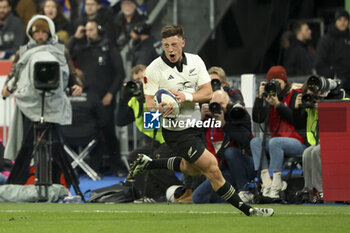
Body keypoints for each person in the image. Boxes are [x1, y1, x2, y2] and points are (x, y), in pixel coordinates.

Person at [128, 24, 274, 216]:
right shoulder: (154, 69)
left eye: (173, 44)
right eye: (165, 45)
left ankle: (148, 164)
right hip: (175, 130)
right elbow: (149, 104)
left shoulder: (196, 61)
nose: (170, 49)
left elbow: (207, 92)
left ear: (183, 43)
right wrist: (160, 108)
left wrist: (184, 97)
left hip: (196, 124)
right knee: (212, 167)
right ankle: (248, 210)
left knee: (193, 169)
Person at [1, 15, 82, 185]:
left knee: (56, 146)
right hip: (29, 104)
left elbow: (71, 75)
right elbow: (14, 74)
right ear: (31, 32)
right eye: (36, 32)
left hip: (54, 102)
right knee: (27, 146)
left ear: (49, 32)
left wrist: (77, 86)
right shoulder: (22, 52)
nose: (40, 35)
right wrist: (7, 87)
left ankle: (59, 185)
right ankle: (17, 186)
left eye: (43, 32)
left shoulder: (61, 51)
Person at [68, 19, 126, 176]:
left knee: (108, 133)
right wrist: (75, 37)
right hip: (86, 99)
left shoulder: (110, 49)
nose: (88, 33)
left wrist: (110, 94)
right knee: (84, 130)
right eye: (86, 30)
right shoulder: (81, 48)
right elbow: (65, 54)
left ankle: (117, 166)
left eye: (91, 30)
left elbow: (120, 73)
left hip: (104, 98)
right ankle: (89, 166)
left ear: (100, 30)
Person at [250, 65, 306, 199]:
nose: (275, 85)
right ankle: (267, 183)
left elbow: (296, 120)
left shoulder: (295, 94)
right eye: (272, 82)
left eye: (278, 82)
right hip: (277, 143)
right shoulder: (268, 97)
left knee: (275, 142)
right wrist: (259, 98)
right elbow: (257, 119)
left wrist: (278, 105)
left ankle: (276, 184)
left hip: (297, 141)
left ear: (285, 81)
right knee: (255, 142)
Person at [192, 90, 255, 204]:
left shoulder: (237, 113)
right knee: (198, 197)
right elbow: (194, 138)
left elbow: (246, 141)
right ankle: (233, 198)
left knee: (230, 152)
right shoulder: (208, 119)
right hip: (220, 170)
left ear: (229, 102)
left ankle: (243, 190)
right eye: (214, 104)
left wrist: (225, 124)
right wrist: (201, 118)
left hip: (243, 165)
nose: (218, 108)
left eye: (221, 104)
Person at [293, 76, 347, 203]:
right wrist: (296, 109)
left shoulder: (339, 97)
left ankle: (320, 189)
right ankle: (309, 189)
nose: (316, 97)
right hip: (320, 142)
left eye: (318, 93)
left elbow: (342, 122)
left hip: (339, 142)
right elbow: (299, 126)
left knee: (316, 151)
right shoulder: (313, 104)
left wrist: (325, 110)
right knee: (308, 152)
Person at [315, 9, 350, 94]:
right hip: (334, 83)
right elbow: (319, 63)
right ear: (335, 21)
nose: (342, 22)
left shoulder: (348, 38)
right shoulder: (326, 40)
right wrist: (333, 76)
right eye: (339, 20)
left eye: (345, 20)